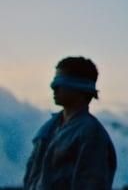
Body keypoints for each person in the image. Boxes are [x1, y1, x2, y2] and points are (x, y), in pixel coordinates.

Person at [24, 56, 117, 189]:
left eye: (61, 81)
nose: (53, 87)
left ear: (81, 87)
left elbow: (91, 184)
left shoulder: (91, 134)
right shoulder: (49, 129)